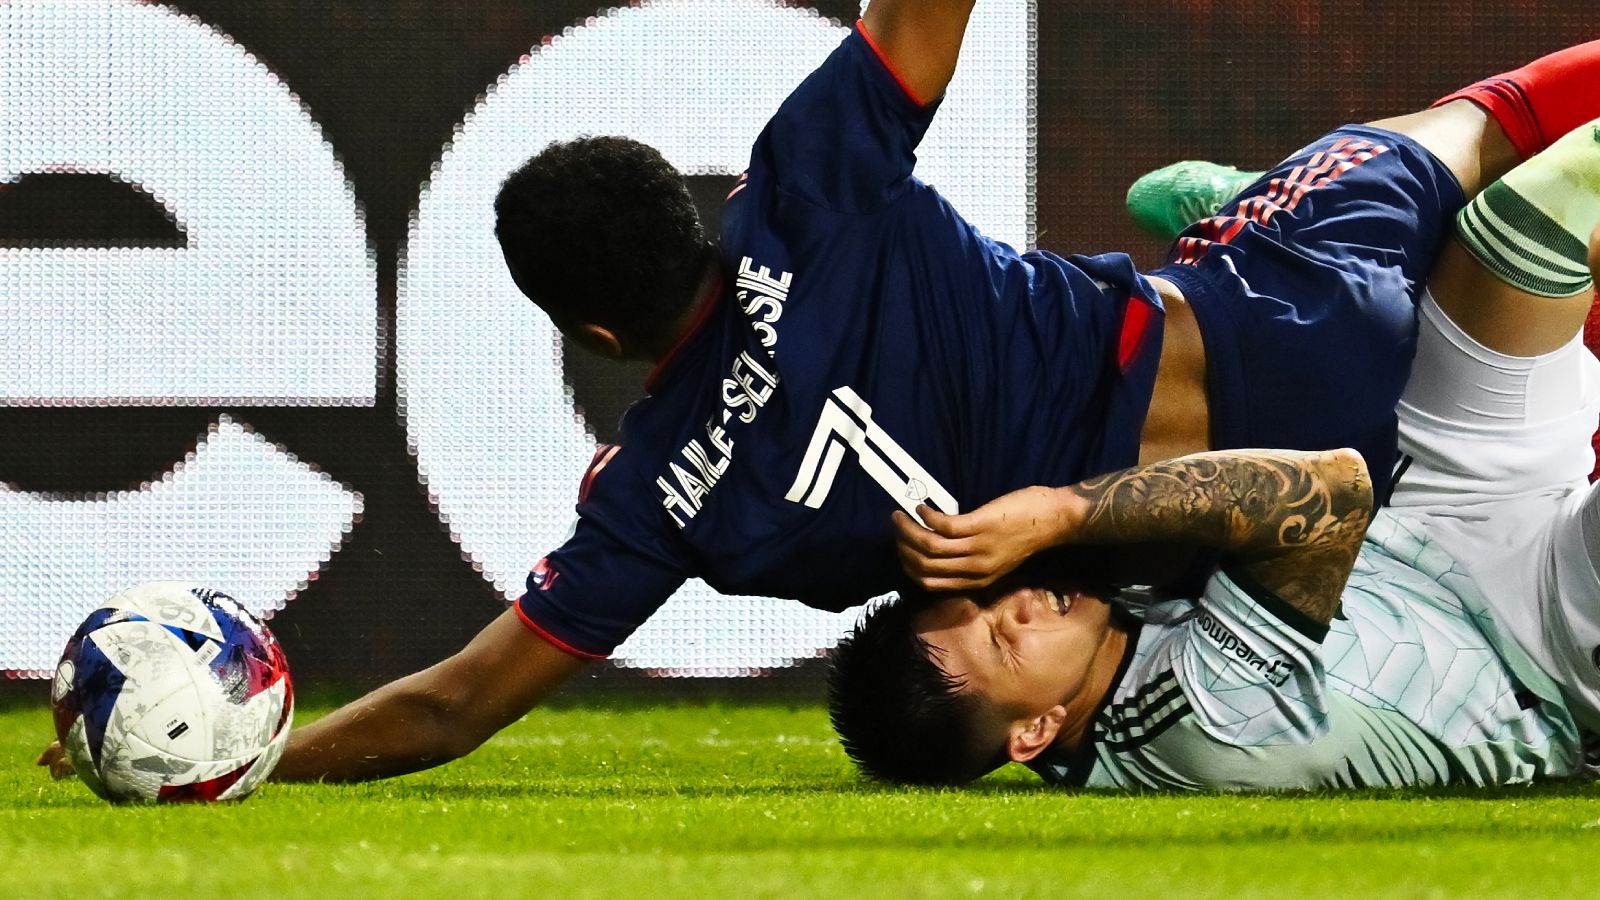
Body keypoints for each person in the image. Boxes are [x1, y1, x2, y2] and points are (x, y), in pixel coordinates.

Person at [42, 1, 1600, 783]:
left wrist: (249, 761)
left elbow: (460, 699)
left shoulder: (669, 501)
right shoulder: (808, 190)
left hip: (1279, 505)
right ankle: (1262, 196)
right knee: (1473, 129)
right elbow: (929, 17)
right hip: (1279, 319)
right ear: (696, 210)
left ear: (588, 331)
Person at [827, 136, 1600, 788]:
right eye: (1003, 641)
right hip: (1544, 658)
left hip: (1434, 512)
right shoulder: (1203, 719)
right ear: (1036, 732)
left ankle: (1274, 227)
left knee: (1528, 227)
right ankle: (1273, 227)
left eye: (987, 600)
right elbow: (1329, 492)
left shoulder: (1097, 643)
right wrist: (1065, 510)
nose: (1020, 602)